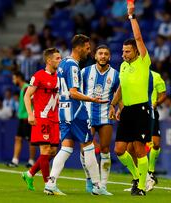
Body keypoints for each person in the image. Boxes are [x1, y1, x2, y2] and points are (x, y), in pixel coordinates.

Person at [44, 34, 110, 195]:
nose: (89, 50)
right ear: (79, 47)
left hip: (64, 111)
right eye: (87, 48)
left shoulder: (63, 63)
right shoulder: (73, 66)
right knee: (89, 146)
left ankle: (50, 183)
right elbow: (73, 92)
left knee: (66, 147)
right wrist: (91, 99)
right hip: (76, 111)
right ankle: (96, 186)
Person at [109, 1, 151, 196]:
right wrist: (114, 105)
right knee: (119, 150)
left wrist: (131, 16)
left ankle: (141, 187)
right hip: (127, 111)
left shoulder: (143, 60)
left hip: (141, 110)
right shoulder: (123, 67)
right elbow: (121, 88)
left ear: (135, 50)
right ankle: (137, 177)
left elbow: (139, 37)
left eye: (127, 51)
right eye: (123, 51)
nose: (123, 54)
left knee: (140, 149)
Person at [21, 48, 61, 191]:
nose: (60, 61)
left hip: (55, 119)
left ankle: (29, 173)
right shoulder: (38, 76)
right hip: (42, 118)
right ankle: (48, 185)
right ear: (49, 61)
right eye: (57, 58)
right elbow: (27, 95)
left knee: (52, 152)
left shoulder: (60, 76)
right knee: (45, 150)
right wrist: (30, 114)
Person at [81, 45, 119, 192]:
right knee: (86, 150)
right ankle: (89, 179)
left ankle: (103, 185)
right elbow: (76, 91)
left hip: (105, 116)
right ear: (95, 56)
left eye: (106, 54)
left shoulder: (115, 75)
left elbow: (118, 93)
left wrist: (119, 108)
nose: (103, 56)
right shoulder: (85, 72)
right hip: (87, 115)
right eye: (100, 53)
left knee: (105, 149)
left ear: (109, 57)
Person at [6, 71, 36, 168]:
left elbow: (33, 101)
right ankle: (15, 161)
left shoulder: (27, 87)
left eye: (14, 78)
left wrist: (31, 114)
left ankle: (31, 161)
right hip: (22, 118)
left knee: (30, 140)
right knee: (18, 138)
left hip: (27, 118)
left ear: (19, 78)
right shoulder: (22, 88)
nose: (13, 80)